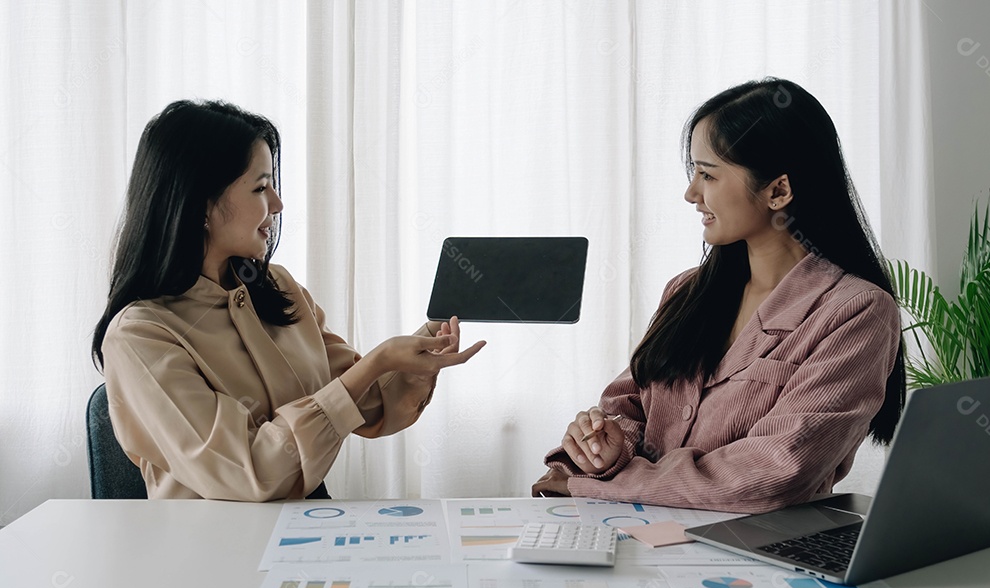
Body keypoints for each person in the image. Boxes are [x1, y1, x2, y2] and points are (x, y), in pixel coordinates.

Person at [533, 78, 906, 514]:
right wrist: (605, 446)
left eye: (708, 174)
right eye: (694, 172)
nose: (691, 193)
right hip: (635, 532)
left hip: (756, 562)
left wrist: (604, 483)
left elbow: (775, 472)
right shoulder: (686, 291)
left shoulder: (855, 312)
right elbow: (628, 405)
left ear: (778, 191)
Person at [92, 100, 484, 501]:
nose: (277, 204)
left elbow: (366, 404)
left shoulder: (278, 287)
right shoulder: (140, 336)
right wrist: (377, 363)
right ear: (200, 204)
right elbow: (250, 471)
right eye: (261, 187)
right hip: (213, 551)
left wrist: (426, 343)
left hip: (305, 533)